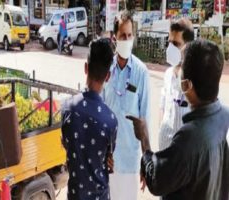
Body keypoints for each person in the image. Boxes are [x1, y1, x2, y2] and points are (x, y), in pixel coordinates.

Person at [129, 40, 229, 200]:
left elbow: (157, 180)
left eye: (181, 66)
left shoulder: (189, 138)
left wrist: (144, 140)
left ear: (186, 85)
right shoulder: (223, 115)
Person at [102, 10, 150, 200]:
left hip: (130, 160)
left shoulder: (141, 72)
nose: (127, 39)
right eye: (123, 35)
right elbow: (100, 113)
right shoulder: (106, 70)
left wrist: (146, 163)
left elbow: (145, 119)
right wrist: (102, 151)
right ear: (114, 38)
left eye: (130, 35)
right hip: (108, 159)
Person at [61, 39, 118, 200]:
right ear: (108, 76)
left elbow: (66, 142)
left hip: (75, 195)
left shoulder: (67, 108)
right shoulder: (111, 121)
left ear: (86, 68)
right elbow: (109, 157)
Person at [159, 18, 194, 150]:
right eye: (169, 42)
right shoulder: (168, 74)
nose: (170, 48)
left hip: (185, 153)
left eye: (176, 43)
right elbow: (162, 106)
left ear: (188, 45)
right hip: (165, 148)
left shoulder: (195, 79)